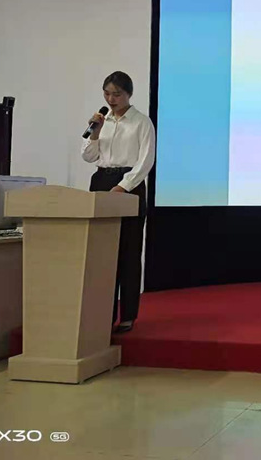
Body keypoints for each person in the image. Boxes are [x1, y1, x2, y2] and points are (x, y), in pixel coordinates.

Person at [81, 71, 155, 333]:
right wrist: (95, 134)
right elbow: (88, 157)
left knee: (128, 251)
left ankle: (128, 315)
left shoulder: (141, 122)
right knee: (101, 253)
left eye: (117, 94)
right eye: (107, 93)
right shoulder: (101, 121)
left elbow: (146, 161)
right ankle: (104, 313)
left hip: (129, 185)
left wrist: (123, 186)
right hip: (101, 181)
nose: (111, 99)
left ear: (129, 94)